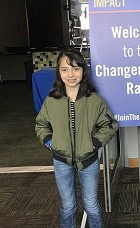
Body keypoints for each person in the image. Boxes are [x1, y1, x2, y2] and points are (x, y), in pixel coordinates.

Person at [35, 49, 118, 228]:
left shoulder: (94, 100)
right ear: (59, 72)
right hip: (61, 161)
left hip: (88, 161)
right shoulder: (52, 99)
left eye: (76, 69)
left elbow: (110, 124)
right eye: (65, 69)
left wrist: (94, 144)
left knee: (92, 206)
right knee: (68, 206)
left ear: (83, 71)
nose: (71, 75)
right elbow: (41, 124)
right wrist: (51, 142)